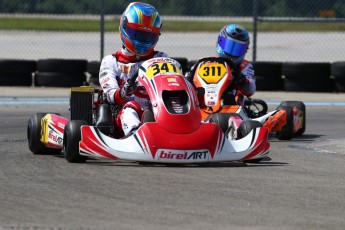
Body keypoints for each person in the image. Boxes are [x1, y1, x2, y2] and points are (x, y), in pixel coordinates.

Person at [97, 2, 168, 137]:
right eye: (138, 34)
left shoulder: (162, 58)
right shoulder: (111, 62)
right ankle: (136, 134)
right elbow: (110, 95)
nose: (142, 41)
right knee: (131, 108)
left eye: (148, 37)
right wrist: (124, 92)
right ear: (124, 28)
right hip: (122, 114)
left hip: (157, 111)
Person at [215, 24, 255, 105]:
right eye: (229, 46)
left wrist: (241, 78)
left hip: (233, 105)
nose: (232, 52)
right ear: (221, 41)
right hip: (206, 103)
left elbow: (250, 90)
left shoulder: (245, 66)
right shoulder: (207, 62)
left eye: (237, 49)